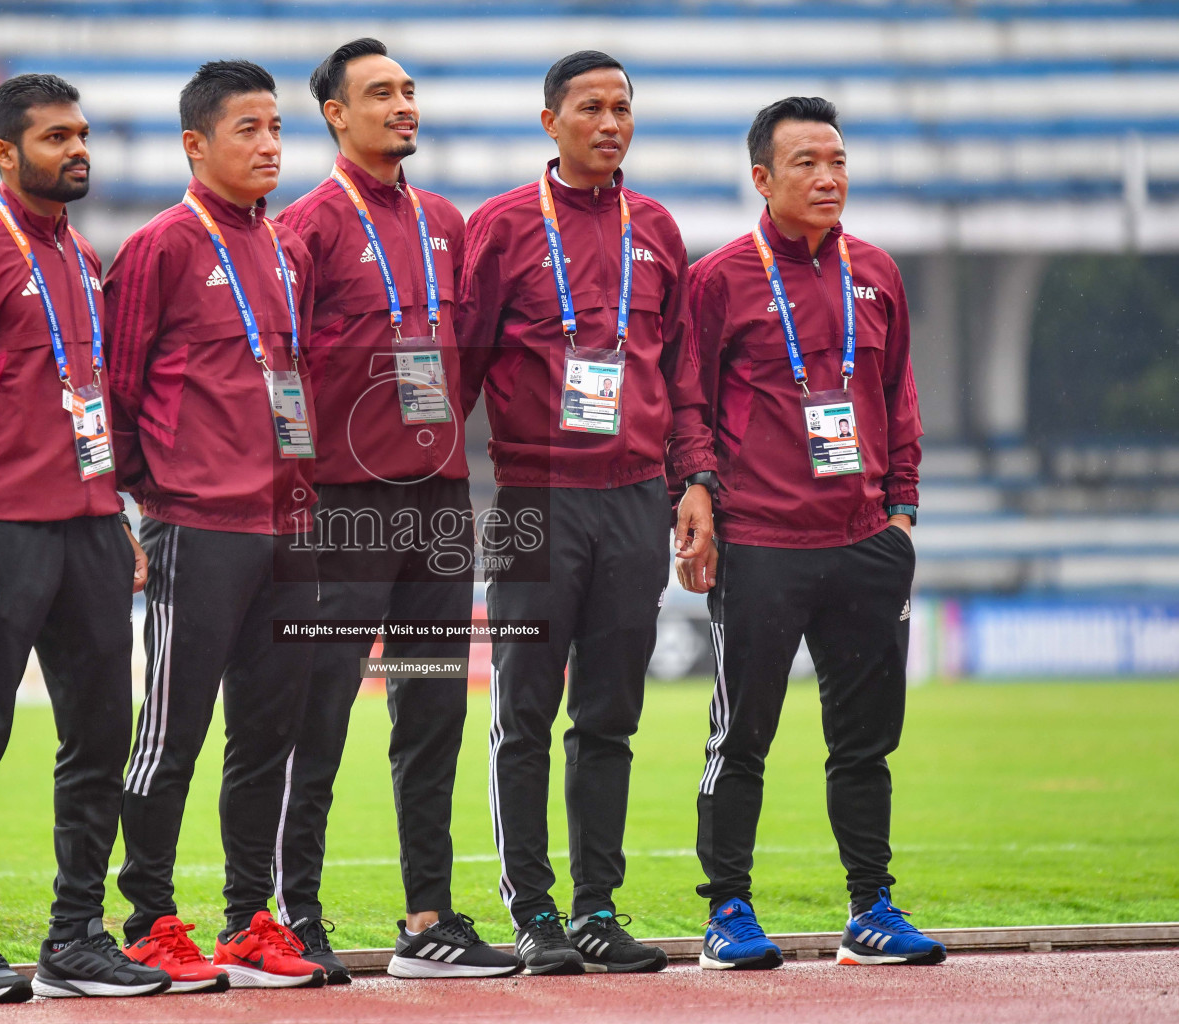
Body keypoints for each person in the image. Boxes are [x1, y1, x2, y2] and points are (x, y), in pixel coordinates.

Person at [0, 73, 169, 1004]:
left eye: (82, 133)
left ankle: (75, 938)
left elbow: (97, 411)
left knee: (100, 735)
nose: (77, 149)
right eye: (56, 137)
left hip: (90, 530)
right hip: (0, 535)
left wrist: (120, 516)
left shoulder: (82, 259)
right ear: (5, 153)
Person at [458, 50, 715, 975]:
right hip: (532, 498)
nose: (610, 124)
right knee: (524, 710)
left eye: (622, 108)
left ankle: (597, 908)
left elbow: (680, 377)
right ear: (549, 122)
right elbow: (458, 376)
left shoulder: (657, 229)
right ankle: (533, 913)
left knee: (609, 716)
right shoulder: (497, 229)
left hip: (633, 502)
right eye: (590, 109)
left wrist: (692, 483)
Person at [273, 37, 520, 982]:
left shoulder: (447, 223)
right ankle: (296, 913)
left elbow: (458, 365)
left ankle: (427, 921)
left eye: (408, 89)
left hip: (437, 513)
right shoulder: (303, 228)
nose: (401, 104)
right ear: (335, 113)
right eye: (380, 93)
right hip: (342, 511)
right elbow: (281, 375)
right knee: (320, 712)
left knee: (429, 710)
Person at [678, 96, 945, 970]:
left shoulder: (875, 271)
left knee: (865, 742)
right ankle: (726, 912)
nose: (827, 176)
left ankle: (870, 907)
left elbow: (898, 397)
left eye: (836, 159)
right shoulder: (718, 279)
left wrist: (900, 515)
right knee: (740, 736)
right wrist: (701, 503)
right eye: (805, 162)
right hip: (760, 544)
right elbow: (689, 406)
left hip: (866, 542)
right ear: (761, 178)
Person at [104, 60, 325, 991]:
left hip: (283, 528)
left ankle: (248, 919)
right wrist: (139, 500)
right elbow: (115, 387)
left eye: (276, 127)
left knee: (266, 736)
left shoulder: (287, 249)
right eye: (248, 129)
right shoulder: (158, 247)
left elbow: (292, 382)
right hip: (194, 528)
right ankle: (149, 918)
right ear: (195, 144)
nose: (270, 144)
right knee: (173, 732)